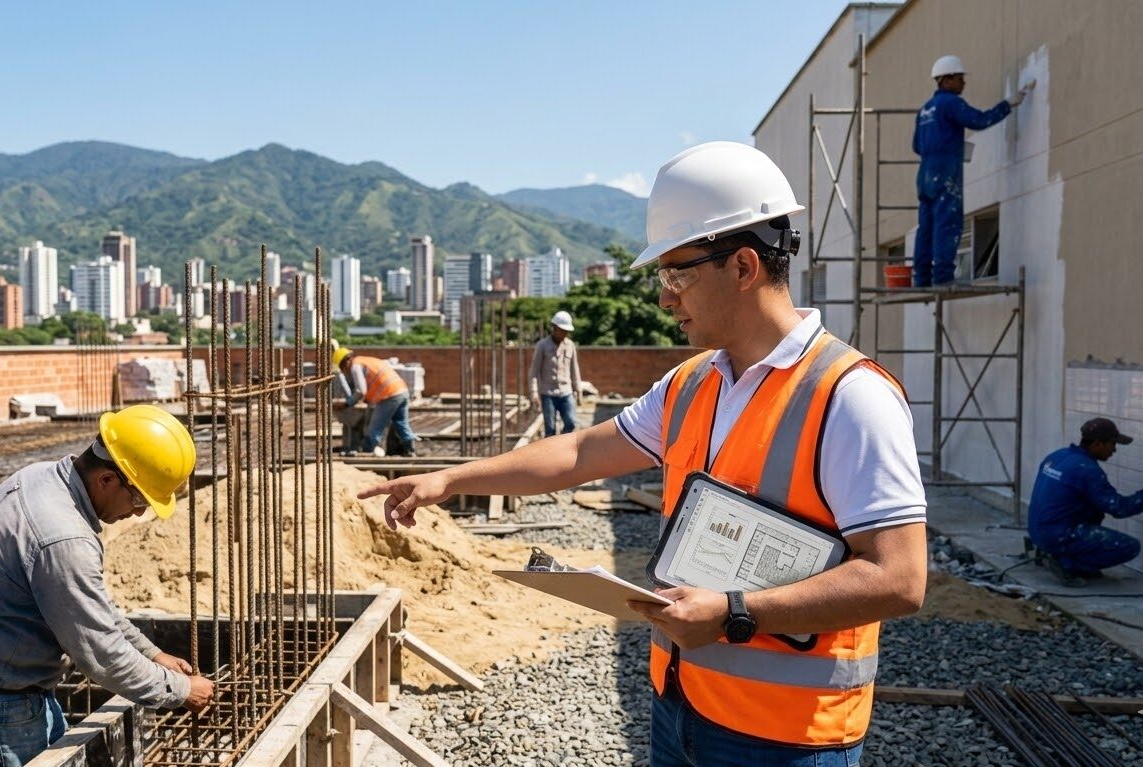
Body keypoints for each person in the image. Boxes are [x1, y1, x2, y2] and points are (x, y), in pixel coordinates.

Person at [359, 141, 928, 766]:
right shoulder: (691, 385)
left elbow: (898, 578)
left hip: (787, 738)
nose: (665, 298)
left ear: (742, 267)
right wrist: (448, 479)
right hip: (680, 704)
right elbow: (579, 453)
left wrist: (737, 612)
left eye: (677, 274)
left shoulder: (851, 396)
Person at [0, 404, 215, 766]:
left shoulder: (40, 476)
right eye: (140, 499)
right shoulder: (63, 537)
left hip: (9, 695)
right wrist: (180, 691)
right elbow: (102, 655)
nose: (140, 512)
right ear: (107, 480)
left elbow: (89, 606)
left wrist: (151, 654)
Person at [912, 55, 1034, 287]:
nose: (963, 83)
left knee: (926, 227)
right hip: (945, 173)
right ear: (946, 80)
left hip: (925, 175)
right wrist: (1007, 105)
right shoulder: (951, 103)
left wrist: (944, 145)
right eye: (960, 79)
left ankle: (921, 277)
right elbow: (979, 120)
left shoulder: (925, 110)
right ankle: (944, 277)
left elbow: (917, 146)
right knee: (947, 222)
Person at [1027, 417, 1143, 586]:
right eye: (1112, 444)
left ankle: (1054, 553)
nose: (1114, 450)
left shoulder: (1058, 455)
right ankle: (1067, 564)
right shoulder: (1087, 470)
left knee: (1093, 512)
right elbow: (1119, 508)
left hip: (1037, 530)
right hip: (1057, 534)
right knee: (1130, 547)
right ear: (1097, 444)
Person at [334, 346, 415, 457]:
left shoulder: (355, 366)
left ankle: (368, 453)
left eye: (342, 368)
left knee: (375, 428)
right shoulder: (364, 360)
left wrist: (347, 403)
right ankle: (410, 450)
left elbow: (360, 391)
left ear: (345, 362)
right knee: (401, 424)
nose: (345, 371)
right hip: (402, 391)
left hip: (389, 395)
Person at [530, 310, 582, 436]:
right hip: (548, 393)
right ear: (554, 328)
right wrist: (534, 392)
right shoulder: (542, 345)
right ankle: (551, 453)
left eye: (567, 331)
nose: (565, 334)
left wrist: (578, 390)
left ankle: (562, 447)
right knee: (550, 428)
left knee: (570, 423)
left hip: (566, 391)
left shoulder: (570, 346)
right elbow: (533, 371)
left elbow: (575, 369)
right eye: (563, 330)